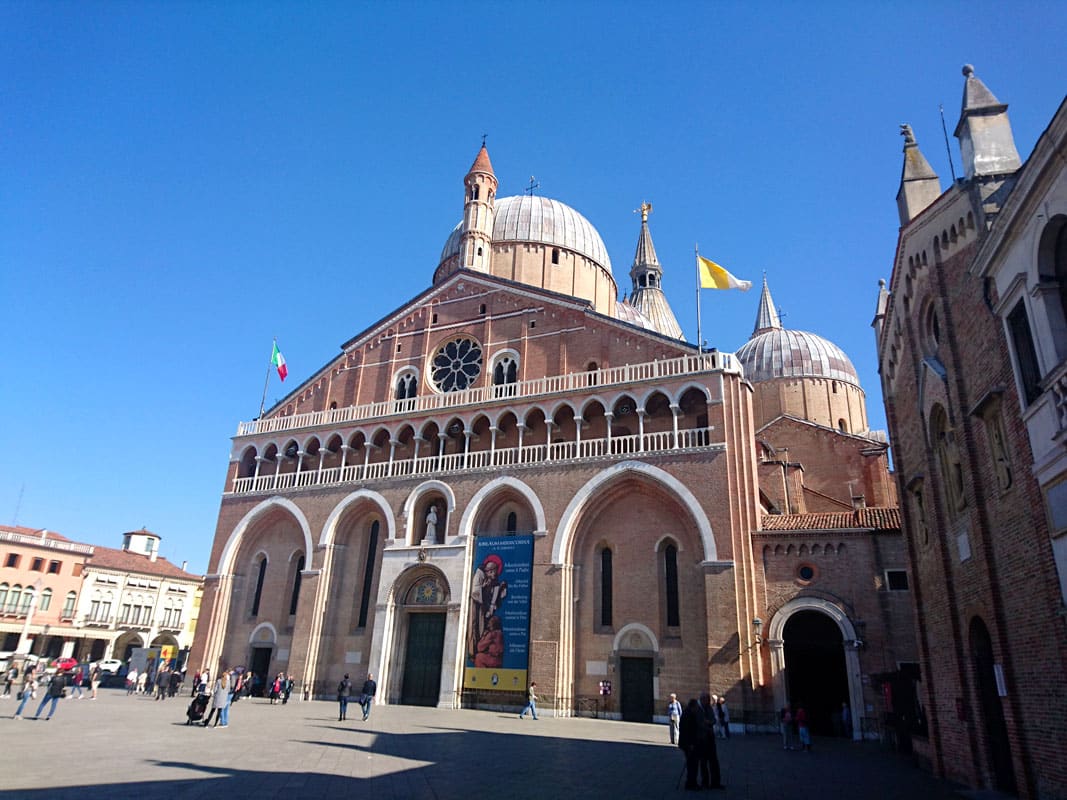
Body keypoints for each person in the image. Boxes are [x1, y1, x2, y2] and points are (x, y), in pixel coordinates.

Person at [468, 554, 507, 663]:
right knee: (476, 627)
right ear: (489, 571)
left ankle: (480, 650)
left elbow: (496, 595)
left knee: (484, 627)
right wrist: (484, 587)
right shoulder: (479, 574)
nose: (495, 574)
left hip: (485, 608)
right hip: (477, 606)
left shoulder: (493, 581)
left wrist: (502, 589)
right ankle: (473, 651)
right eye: (494, 572)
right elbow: (474, 591)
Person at [697, 692, 724, 789]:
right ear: (701, 700)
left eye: (708, 700)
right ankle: (705, 782)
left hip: (710, 738)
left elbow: (713, 720)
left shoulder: (709, 708)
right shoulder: (698, 710)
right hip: (701, 739)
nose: (708, 702)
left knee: (713, 761)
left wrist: (709, 722)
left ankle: (715, 782)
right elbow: (698, 723)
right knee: (703, 762)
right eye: (706, 700)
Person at [678, 698, 701, 790]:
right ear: (693, 706)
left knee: (692, 763)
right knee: (692, 764)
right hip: (688, 744)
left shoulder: (688, 713)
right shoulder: (688, 714)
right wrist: (690, 744)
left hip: (688, 743)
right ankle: (691, 783)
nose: (697, 708)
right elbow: (687, 730)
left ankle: (692, 782)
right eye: (696, 707)